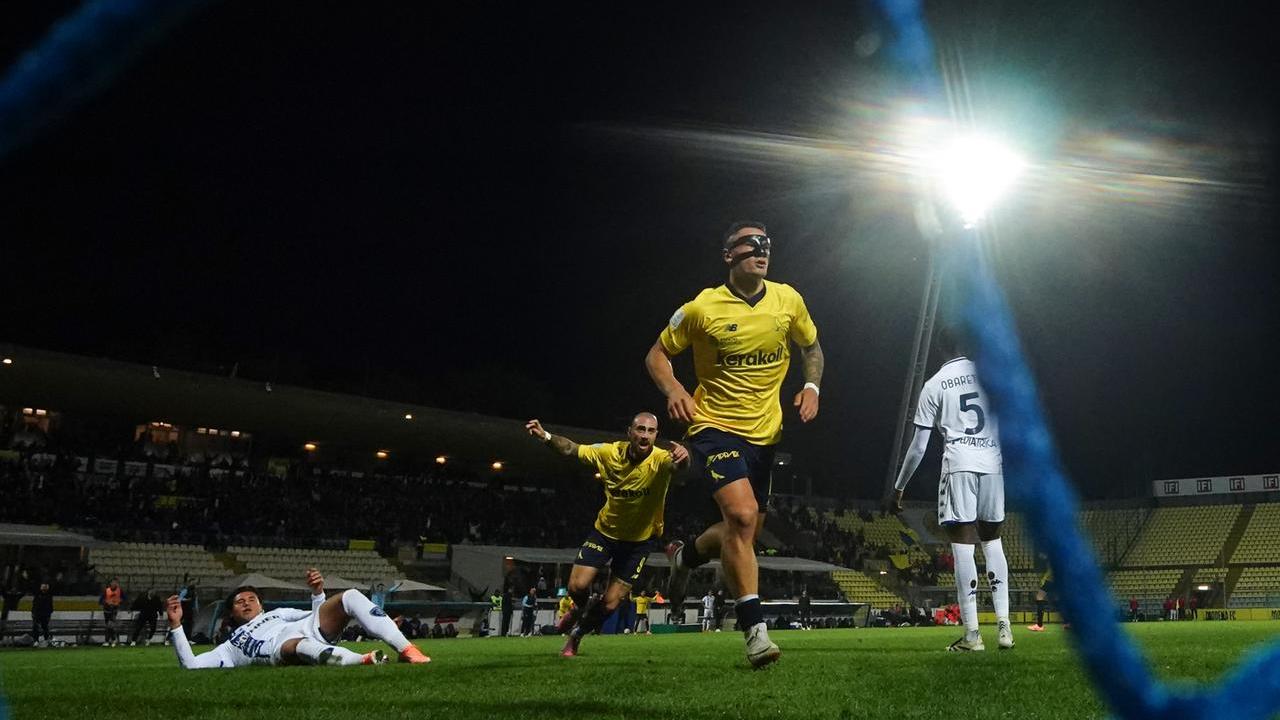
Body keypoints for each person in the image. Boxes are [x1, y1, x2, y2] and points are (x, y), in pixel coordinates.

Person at [648, 221, 823, 669]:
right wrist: (674, 390)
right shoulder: (702, 307)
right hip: (713, 427)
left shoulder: (789, 300)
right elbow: (657, 355)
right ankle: (754, 631)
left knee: (742, 531)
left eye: (767, 244)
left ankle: (686, 556)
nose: (762, 251)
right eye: (751, 245)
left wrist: (812, 387)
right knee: (742, 516)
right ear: (728, 255)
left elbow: (813, 348)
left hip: (765, 435)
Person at [526, 413, 689, 657]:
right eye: (640, 429)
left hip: (639, 543)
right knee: (576, 586)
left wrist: (684, 459)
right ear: (629, 432)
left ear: (656, 435)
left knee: (611, 602)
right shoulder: (608, 453)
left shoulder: (661, 460)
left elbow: (678, 467)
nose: (645, 435)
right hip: (605, 534)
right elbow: (571, 449)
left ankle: (576, 635)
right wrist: (546, 436)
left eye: (651, 431)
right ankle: (580, 608)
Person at [893, 328, 1012, 652]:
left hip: (959, 463)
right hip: (992, 464)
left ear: (940, 350)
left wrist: (899, 487)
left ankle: (972, 635)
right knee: (993, 541)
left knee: (963, 547)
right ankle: (1005, 628)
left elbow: (918, 447)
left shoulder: (934, 384)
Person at [164, 568, 429, 669]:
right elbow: (191, 665)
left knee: (350, 596)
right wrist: (176, 625)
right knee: (296, 643)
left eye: (251, 599)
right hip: (283, 648)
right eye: (239, 601)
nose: (246, 603)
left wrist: (318, 593)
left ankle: (406, 648)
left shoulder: (278, 614)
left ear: (261, 605)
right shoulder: (229, 646)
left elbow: (315, 614)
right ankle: (363, 659)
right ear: (231, 613)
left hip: (307, 628)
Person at [99, 577, 124, 646]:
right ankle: (113, 640)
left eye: (115, 582)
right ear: (110, 583)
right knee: (108, 626)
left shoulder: (120, 591)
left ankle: (108, 640)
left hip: (114, 610)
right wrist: (104, 604)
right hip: (107, 610)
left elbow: (124, 599)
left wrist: (119, 602)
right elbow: (101, 600)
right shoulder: (106, 590)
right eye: (113, 582)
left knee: (110, 625)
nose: (114, 583)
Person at [31, 582, 53, 646]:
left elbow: (50, 605)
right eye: (43, 587)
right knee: (36, 627)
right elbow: (35, 604)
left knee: (45, 628)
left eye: (45, 587)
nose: (44, 589)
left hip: (45, 614)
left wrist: (49, 612)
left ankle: (45, 640)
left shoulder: (48, 595)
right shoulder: (38, 595)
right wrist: (33, 613)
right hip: (38, 614)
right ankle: (36, 640)